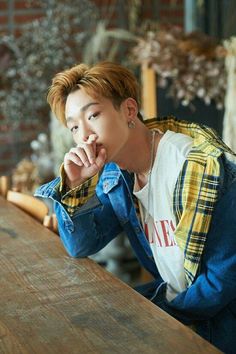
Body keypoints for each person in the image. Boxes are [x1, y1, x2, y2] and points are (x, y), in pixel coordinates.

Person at [35, 61, 236, 353]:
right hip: (178, 309)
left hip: (220, 325)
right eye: (74, 126)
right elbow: (80, 245)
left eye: (93, 115)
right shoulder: (117, 176)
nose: (85, 135)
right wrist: (75, 185)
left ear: (129, 110)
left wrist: (152, 318)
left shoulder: (203, 170)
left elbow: (223, 281)